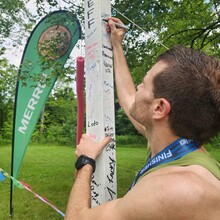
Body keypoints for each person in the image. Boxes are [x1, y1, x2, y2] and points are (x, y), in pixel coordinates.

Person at [65, 17, 220, 220]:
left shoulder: (175, 189)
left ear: (159, 108)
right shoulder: (178, 145)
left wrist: (85, 161)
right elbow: (130, 99)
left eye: (144, 83)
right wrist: (116, 46)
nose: (138, 87)